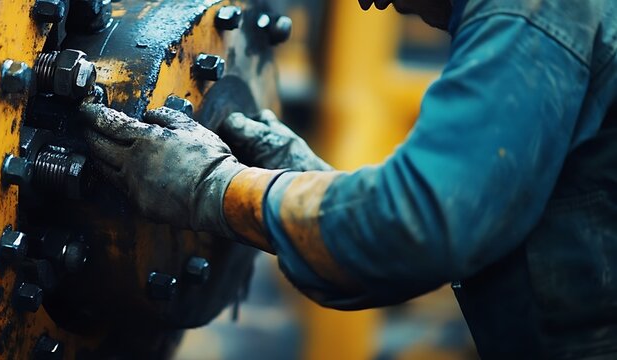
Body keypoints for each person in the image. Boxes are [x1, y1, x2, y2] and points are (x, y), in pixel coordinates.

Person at [79, 0, 617, 357]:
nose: (367, 4)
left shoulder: (533, 11)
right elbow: (451, 225)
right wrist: (304, 182)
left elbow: (415, 230)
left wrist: (213, 188)